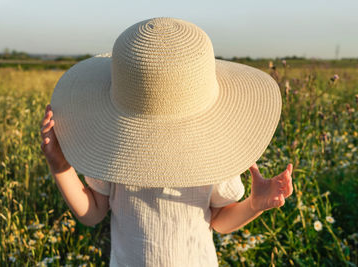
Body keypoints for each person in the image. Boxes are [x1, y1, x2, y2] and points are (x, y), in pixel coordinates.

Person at [40, 17, 293, 267]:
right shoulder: (117, 147)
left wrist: (254, 205)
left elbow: (219, 220)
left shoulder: (211, 152)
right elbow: (92, 212)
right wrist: (59, 164)